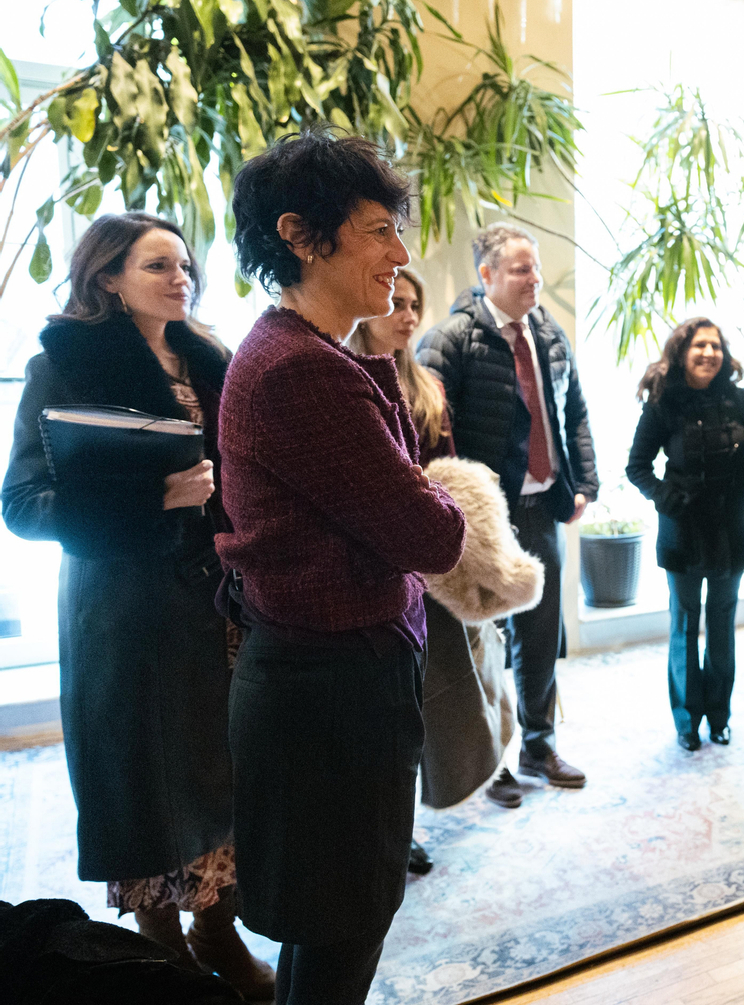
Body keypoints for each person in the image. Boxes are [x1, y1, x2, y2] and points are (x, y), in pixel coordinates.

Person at [217, 129, 466, 1005]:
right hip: (330, 693)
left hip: (330, 680)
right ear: (299, 233)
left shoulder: (320, 356)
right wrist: (435, 496)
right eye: (377, 230)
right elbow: (433, 533)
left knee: (334, 926)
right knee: (342, 929)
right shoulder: (302, 372)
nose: (401, 256)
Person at [1, 213, 275, 1000]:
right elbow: (22, 504)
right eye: (158, 264)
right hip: (125, 612)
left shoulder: (211, 359)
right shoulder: (65, 365)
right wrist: (150, 498)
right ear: (107, 278)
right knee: (146, 785)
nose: (180, 277)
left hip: (219, 603)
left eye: (185, 263)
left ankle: (215, 922)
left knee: (224, 771)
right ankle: (162, 940)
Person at [416, 223, 598, 792]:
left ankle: (540, 750)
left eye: (536, 269)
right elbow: (427, 430)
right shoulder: (449, 339)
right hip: (485, 519)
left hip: (545, 507)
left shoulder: (549, 333)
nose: (535, 280)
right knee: (487, 646)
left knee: (542, 635)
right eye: (521, 270)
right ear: (487, 274)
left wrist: (585, 482)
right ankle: (492, 763)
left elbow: (576, 414)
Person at [349, 268, 521, 834]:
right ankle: (394, 826)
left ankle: (435, 801)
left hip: (431, 564)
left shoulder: (428, 387)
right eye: (397, 302)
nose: (408, 315)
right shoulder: (343, 379)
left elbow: (447, 475)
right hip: (375, 564)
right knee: (387, 709)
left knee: (446, 694)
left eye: (414, 304)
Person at [625, 318, 744, 751]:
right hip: (683, 529)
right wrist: (667, 498)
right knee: (685, 622)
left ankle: (719, 717)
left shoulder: (739, 400)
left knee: (722, 623)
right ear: (683, 352)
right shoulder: (664, 403)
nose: (709, 353)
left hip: (732, 528)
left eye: (716, 345)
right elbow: (637, 466)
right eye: (700, 345)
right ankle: (687, 721)